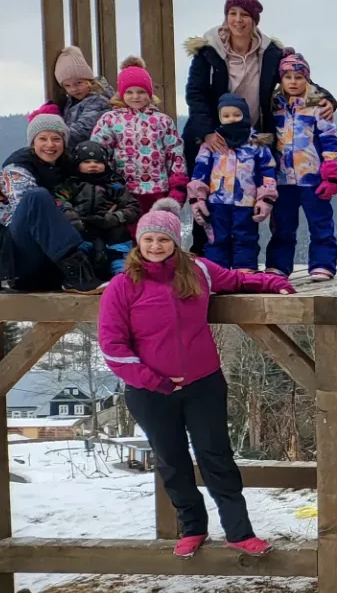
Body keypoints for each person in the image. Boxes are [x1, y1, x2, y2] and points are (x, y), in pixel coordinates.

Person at [98, 201, 294, 558]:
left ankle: (239, 531)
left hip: (203, 383)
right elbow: (112, 347)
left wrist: (273, 281)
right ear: (138, 243)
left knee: (216, 457)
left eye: (163, 239)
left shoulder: (199, 271)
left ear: (176, 241)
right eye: (149, 239)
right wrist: (154, 381)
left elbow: (236, 280)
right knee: (171, 460)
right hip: (150, 391)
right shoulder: (122, 287)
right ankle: (193, 528)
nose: (155, 246)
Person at [183, 0, 336, 165]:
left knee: (253, 190)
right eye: (233, 13)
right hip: (215, 139)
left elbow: (297, 80)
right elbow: (196, 94)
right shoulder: (208, 52)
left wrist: (327, 99)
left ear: (255, 20)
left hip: (254, 140)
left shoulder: (270, 53)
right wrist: (206, 132)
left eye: (245, 15)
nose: (238, 20)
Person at [0, 108, 104, 293]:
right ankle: (77, 273)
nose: (50, 145)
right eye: (42, 139)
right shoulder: (16, 171)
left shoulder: (65, 168)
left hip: (49, 259)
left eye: (56, 139)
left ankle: (96, 269)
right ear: (32, 142)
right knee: (36, 198)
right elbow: (31, 215)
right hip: (15, 257)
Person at [265, 52, 337, 279]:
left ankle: (323, 264)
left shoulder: (318, 107)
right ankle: (278, 266)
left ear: (307, 79)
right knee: (282, 226)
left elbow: (330, 144)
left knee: (320, 223)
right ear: (281, 80)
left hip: (312, 178)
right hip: (281, 179)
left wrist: (331, 176)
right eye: (287, 77)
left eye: (298, 77)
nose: (293, 82)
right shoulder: (272, 106)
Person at [189, 94, 278, 270]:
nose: (232, 119)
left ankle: (245, 270)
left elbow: (267, 173)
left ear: (245, 115)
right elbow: (200, 173)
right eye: (227, 116)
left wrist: (265, 198)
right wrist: (197, 199)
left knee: (245, 237)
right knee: (216, 238)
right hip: (216, 202)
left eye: (236, 115)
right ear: (220, 118)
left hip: (246, 202)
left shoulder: (257, 145)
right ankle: (217, 272)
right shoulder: (211, 145)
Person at [89, 57, 187, 215]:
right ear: (121, 94)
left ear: (149, 93)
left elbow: (175, 154)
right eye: (129, 92)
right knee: (130, 232)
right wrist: (103, 183)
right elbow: (99, 151)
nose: (136, 97)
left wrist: (177, 184)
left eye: (141, 92)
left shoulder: (162, 121)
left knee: (155, 231)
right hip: (124, 190)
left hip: (157, 188)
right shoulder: (111, 119)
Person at [58, 141, 142, 274]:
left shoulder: (114, 185)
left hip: (108, 229)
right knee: (73, 246)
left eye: (98, 162)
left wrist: (114, 218)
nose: (93, 165)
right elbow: (59, 200)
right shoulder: (70, 184)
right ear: (77, 164)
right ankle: (80, 272)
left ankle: (121, 272)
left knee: (119, 239)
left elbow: (133, 207)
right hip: (82, 229)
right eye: (87, 162)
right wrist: (70, 215)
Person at [51, 45, 114, 142]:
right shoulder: (72, 102)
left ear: (89, 80)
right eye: (67, 86)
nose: (73, 89)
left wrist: (55, 139)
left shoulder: (99, 101)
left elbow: (82, 130)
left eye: (78, 83)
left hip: (89, 150)